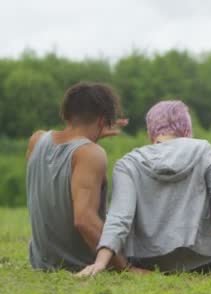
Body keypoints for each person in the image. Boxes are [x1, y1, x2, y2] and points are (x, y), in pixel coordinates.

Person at [77, 101, 211, 276]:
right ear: (187, 130)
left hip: (145, 264)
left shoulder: (128, 163)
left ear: (150, 133)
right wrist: (197, 226)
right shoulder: (203, 150)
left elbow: (119, 218)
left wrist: (101, 262)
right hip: (205, 263)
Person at [26, 82, 132, 272]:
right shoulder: (90, 153)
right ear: (102, 121)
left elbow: (57, 165)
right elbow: (84, 220)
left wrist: (91, 137)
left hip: (40, 261)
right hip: (77, 263)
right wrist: (125, 268)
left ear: (66, 113)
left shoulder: (37, 140)